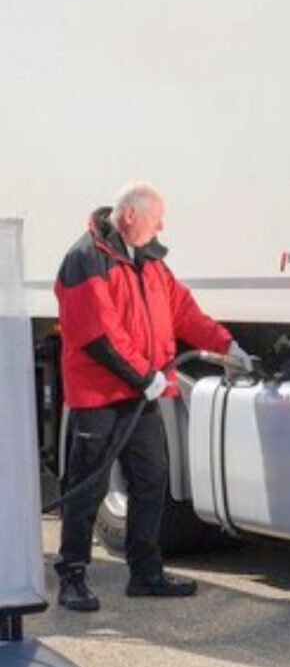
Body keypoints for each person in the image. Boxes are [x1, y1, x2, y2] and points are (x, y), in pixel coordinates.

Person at [52, 182, 253, 611]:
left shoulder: (150, 259)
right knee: (87, 488)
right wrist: (144, 377)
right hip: (100, 397)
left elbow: (182, 310)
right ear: (129, 216)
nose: (162, 225)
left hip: (141, 394)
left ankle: (145, 573)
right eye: (156, 217)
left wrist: (225, 345)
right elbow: (98, 334)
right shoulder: (85, 259)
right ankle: (72, 577)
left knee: (151, 480)